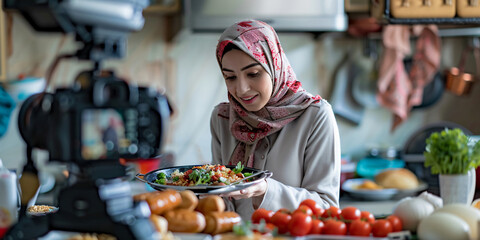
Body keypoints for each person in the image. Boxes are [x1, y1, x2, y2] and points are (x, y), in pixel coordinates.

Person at [210, 20, 341, 220]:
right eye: (230, 77)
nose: (241, 89)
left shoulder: (315, 116)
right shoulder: (223, 118)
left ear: (275, 65)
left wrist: (265, 190)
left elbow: (327, 208)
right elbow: (221, 198)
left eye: (253, 74)